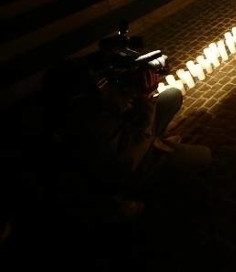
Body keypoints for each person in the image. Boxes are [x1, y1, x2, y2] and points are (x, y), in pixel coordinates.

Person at [40, 29, 211, 221]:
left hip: (126, 140)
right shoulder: (88, 126)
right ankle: (130, 196)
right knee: (204, 155)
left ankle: (157, 141)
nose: (101, 84)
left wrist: (130, 87)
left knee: (171, 96)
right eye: (97, 83)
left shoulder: (81, 108)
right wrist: (145, 97)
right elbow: (131, 148)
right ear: (78, 95)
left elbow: (121, 110)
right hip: (131, 164)